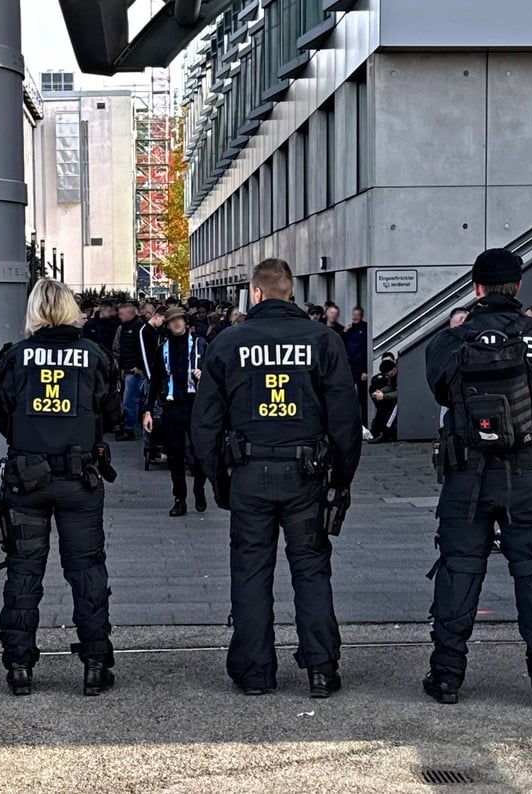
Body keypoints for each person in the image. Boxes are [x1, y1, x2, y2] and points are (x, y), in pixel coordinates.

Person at [191, 259, 361, 698]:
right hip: (306, 474)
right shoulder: (322, 339)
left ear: (256, 292)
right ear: (290, 292)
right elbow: (345, 419)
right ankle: (321, 669)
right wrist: (340, 481)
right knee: (311, 570)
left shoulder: (229, 342)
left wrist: (219, 480)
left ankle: (253, 673)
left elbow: (205, 424)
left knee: (250, 571)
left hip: (249, 472)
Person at [424, 248, 532, 708]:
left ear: (476, 288)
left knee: (459, 571)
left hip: (467, 475)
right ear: (519, 287)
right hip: (530, 475)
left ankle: (446, 674)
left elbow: (440, 390)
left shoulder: (449, 341)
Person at [0, 278, 118, 697]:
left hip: (26, 480)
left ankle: (19, 665)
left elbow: (2, 414)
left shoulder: (14, 358)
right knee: (87, 571)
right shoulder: (94, 355)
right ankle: (96, 663)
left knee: (23, 571)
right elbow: (111, 413)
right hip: (79, 480)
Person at [143, 308, 208, 516]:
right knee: (174, 456)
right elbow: (154, 381)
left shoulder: (200, 345)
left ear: (186, 322)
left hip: (195, 406)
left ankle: (199, 487)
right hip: (172, 407)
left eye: (179, 319)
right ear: (168, 325)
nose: (177, 324)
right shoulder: (163, 349)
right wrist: (148, 410)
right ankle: (180, 498)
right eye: (172, 321)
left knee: (199, 454)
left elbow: (217, 374)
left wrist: (203, 374)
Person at [113, 300, 150, 441]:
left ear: (130, 313)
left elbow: (143, 349)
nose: (120, 317)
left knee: (129, 401)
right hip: (129, 368)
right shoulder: (126, 327)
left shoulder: (138, 328)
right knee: (134, 400)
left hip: (135, 370)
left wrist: (139, 366)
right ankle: (134, 425)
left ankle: (129, 428)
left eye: (122, 314)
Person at [342, 307, 370, 428]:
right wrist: (344, 332)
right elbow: (341, 344)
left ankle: (364, 422)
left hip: (360, 366)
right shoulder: (349, 329)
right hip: (350, 366)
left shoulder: (366, 328)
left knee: (363, 397)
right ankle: (349, 422)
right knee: (348, 395)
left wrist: (365, 369)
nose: (355, 317)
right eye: (354, 315)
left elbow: (366, 350)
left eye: (357, 315)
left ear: (361, 315)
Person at [368, 355, 398, 443]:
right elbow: (390, 386)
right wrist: (380, 391)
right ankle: (378, 430)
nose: (387, 377)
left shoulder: (401, 374)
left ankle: (385, 433)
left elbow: (400, 392)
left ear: (393, 369)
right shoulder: (392, 376)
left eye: (388, 374)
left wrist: (384, 396)